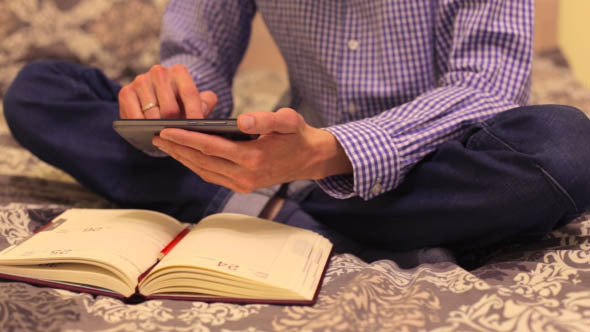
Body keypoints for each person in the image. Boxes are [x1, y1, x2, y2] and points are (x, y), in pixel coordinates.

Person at [3, 0, 590, 268]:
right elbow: (200, 61)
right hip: (276, 156)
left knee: (564, 146)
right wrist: (175, 104)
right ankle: (278, 204)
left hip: (428, 171)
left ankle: (278, 210)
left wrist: (328, 154)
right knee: (37, 88)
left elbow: (487, 89)